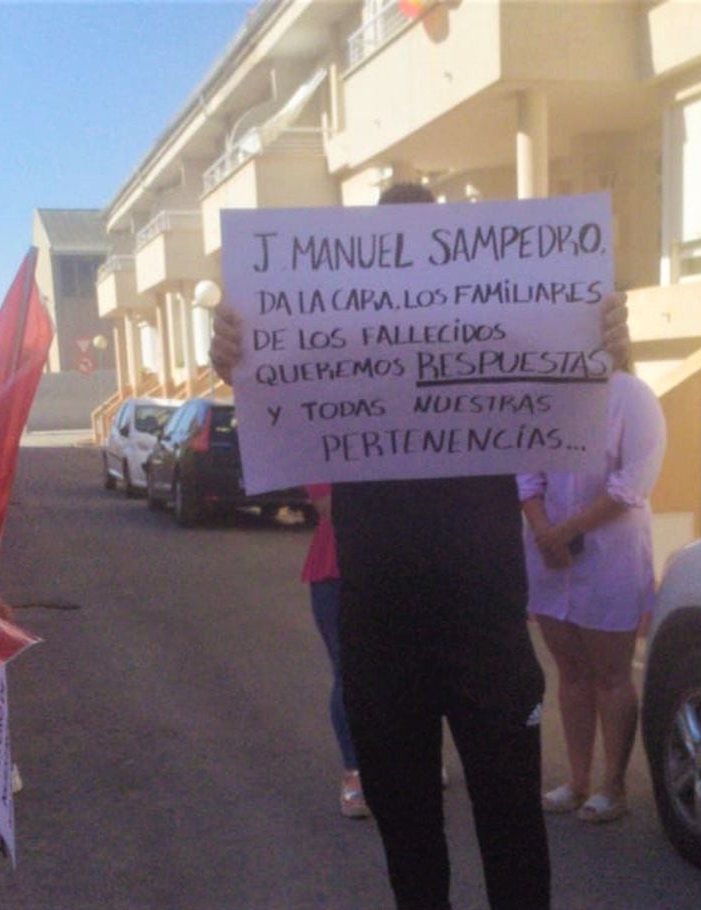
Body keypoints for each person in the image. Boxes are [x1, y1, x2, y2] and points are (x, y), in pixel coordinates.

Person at [210, 182, 631, 910]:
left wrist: (611, 349)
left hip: (485, 626)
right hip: (380, 626)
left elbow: (581, 405)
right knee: (410, 849)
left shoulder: (496, 342)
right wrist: (237, 360)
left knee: (515, 838)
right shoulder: (340, 351)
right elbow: (280, 403)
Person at [518, 363, 665, 824]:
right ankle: (578, 780)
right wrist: (546, 532)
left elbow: (631, 483)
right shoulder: (542, 391)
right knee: (572, 671)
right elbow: (526, 473)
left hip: (608, 554)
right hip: (549, 555)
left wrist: (566, 533)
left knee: (611, 674)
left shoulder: (633, 396)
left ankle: (613, 786)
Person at [302, 483, 369, 819]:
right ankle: (354, 772)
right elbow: (328, 505)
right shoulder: (327, 440)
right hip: (337, 570)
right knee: (350, 673)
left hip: (402, 565)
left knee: (409, 669)